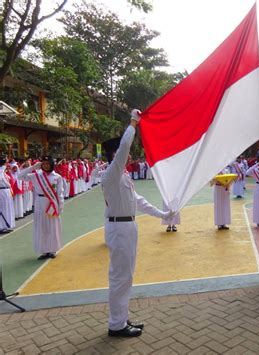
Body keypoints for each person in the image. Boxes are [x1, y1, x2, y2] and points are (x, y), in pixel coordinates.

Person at [101, 109, 171, 338]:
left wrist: (162, 214)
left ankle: (121, 318)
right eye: (123, 155)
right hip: (119, 228)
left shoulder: (123, 177)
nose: (129, 157)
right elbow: (124, 149)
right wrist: (133, 123)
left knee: (126, 275)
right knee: (120, 276)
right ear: (113, 156)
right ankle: (116, 325)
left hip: (127, 227)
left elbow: (139, 202)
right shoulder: (110, 174)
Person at [17, 156, 64, 259]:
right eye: (44, 164)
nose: (46, 166)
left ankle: (52, 250)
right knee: (41, 226)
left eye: (48, 164)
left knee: (52, 227)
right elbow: (19, 176)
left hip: (52, 203)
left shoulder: (57, 177)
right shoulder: (36, 176)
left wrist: (60, 206)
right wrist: (32, 167)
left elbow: (60, 193)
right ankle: (43, 250)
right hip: (39, 203)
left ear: (52, 164)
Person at [246, 156, 259, 227]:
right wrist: (257, 164)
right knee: (258, 204)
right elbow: (247, 172)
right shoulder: (255, 169)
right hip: (258, 187)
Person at [0, 156, 15, 233]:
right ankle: (2, 226)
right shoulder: (1, 170)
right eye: (6, 162)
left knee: (7, 207)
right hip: (3, 190)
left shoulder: (3, 170)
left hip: (6, 190)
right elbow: (1, 179)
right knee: (4, 208)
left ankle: (6, 225)